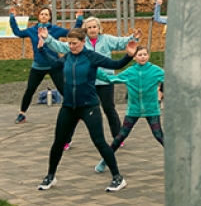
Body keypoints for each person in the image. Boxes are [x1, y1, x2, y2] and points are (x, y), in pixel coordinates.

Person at [35, 28, 137, 192]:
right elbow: (54, 65)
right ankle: (50, 176)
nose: (71, 46)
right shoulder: (68, 57)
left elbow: (116, 64)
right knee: (58, 143)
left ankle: (118, 177)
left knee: (100, 142)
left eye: (74, 43)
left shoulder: (91, 57)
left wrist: (129, 55)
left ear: (83, 42)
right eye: (69, 43)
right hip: (69, 107)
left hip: (89, 106)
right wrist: (42, 48)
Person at [95, 45, 165, 173]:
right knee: (121, 136)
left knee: (159, 135)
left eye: (145, 54)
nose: (142, 57)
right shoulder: (129, 72)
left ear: (148, 56)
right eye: (140, 55)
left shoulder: (156, 70)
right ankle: (105, 160)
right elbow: (110, 79)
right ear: (134, 57)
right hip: (133, 110)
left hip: (151, 109)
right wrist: (97, 71)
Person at [9, 5, 83, 124]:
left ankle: (77, 112)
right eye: (42, 14)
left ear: (50, 17)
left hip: (54, 66)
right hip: (37, 66)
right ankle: (22, 114)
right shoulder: (32, 30)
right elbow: (17, 32)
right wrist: (12, 18)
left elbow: (72, 33)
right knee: (29, 91)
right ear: (38, 16)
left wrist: (79, 20)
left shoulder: (55, 30)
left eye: (46, 14)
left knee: (64, 90)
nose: (44, 16)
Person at [78, 17, 139, 142]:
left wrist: (133, 37)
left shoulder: (106, 39)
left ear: (99, 28)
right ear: (85, 30)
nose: (92, 29)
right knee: (78, 110)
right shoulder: (82, 42)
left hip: (105, 81)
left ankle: (118, 136)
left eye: (94, 27)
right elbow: (64, 46)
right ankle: (66, 140)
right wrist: (48, 40)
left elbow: (121, 42)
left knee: (108, 108)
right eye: (89, 27)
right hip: (87, 82)